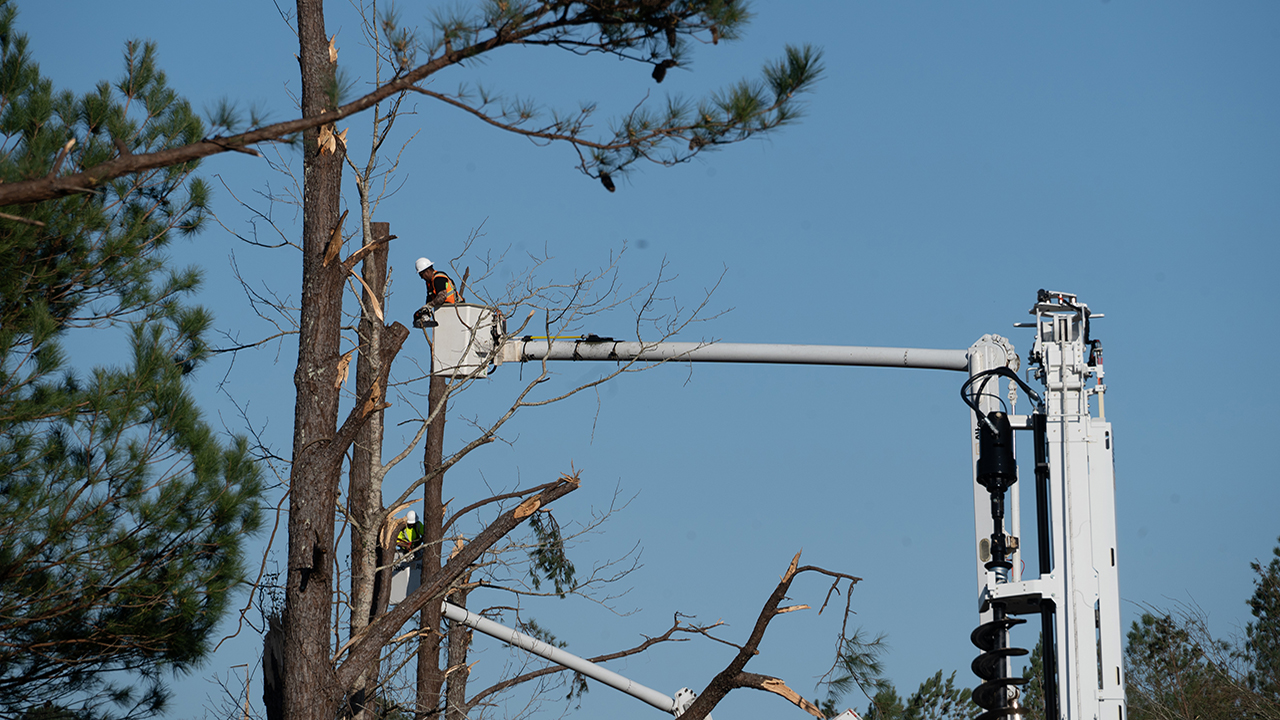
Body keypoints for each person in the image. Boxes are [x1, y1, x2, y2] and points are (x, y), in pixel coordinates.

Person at [413, 257, 458, 328]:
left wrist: (429, 306)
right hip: (444, 310)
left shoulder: (438, 278)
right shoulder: (429, 283)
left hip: (455, 307)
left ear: (427, 271)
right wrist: (424, 311)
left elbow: (441, 297)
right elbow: (430, 299)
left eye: (421, 275)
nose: (421, 278)